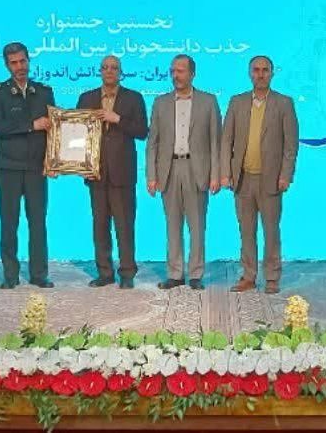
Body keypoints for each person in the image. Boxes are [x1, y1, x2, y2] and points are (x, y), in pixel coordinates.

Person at [220, 55, 299, 294]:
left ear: (272, 73)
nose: (261, 74)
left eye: (265, 70)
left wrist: (286, 175)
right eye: (256, 70)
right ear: (250, 73)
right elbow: (226, 140)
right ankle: (248, 276)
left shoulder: (284, 103)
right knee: (246, 232)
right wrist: (226, 173)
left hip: (271, 179)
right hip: (242, 179)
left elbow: (290, 145)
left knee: (271, 232)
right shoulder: (237, 102)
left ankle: (272, 278)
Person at [146, 55, 221, 290]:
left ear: (192, 74)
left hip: (196, 170)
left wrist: (216, 175)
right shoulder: (160, 103)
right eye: (173, 71)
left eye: (180, 71)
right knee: (172, 225)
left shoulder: (208, 101)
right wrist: (151, 175)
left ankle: (196, 274)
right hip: (168, 170)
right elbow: (153, 143)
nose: (175, 75)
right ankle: (175, 274)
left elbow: (215, 142)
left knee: (197, 226)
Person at [77, 55, 148, 289]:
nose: (109, 71)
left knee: (124, 226)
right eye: (105, 67)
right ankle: (104, 272)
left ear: (120, 72)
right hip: (95, 173)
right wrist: (82, 166)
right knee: (100, 226)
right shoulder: (86, 98)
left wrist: (117, 119)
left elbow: (142, 131)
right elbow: (77, 136)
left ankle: (127, 273)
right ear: (100, 71)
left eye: (114, 68)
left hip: (122, 173)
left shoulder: (133, 98)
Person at [0, 42, 54, 289]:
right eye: (14, 63)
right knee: (9, 222)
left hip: (37, 168)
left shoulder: (44, 92)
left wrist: (53, 160)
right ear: (7, 65)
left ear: (29, 61)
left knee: (38, 223)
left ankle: (39, 274)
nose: (19, 67)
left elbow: (53, 131)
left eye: (23, 61)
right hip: (8, 168)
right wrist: (32, 125)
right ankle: (10, 275)